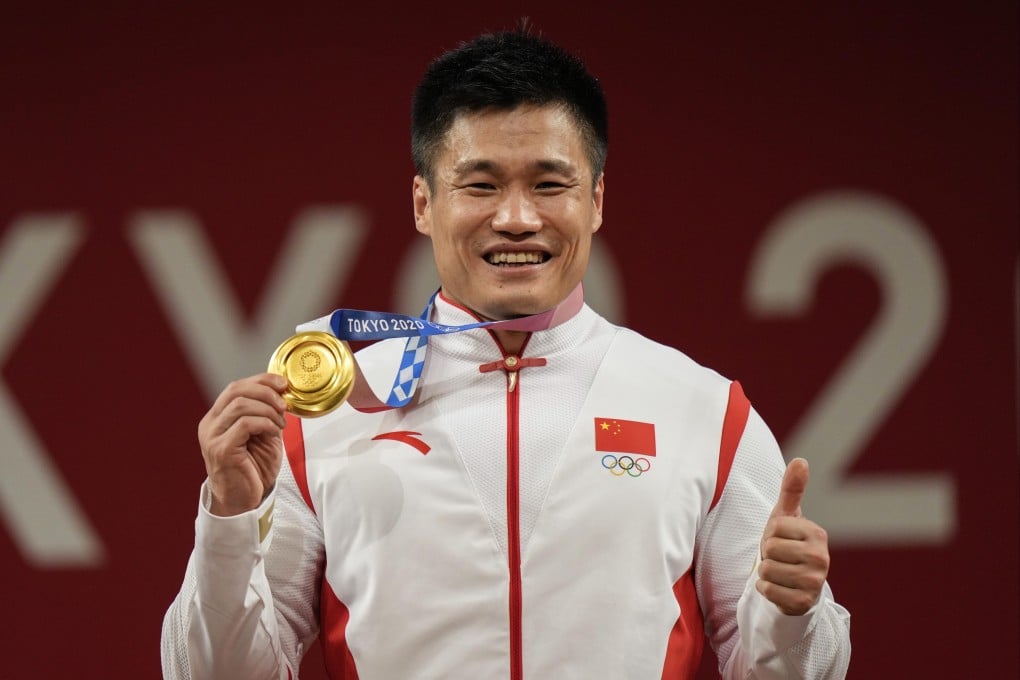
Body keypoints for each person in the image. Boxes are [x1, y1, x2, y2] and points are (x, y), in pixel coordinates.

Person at [161, 26, 851, 679]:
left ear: (597, 200)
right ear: (423, 202)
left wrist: (793, 613)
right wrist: (228, 520)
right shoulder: (324, 413)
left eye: (550, 184)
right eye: (481, 184)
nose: (517, 218)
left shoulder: (702, 410)